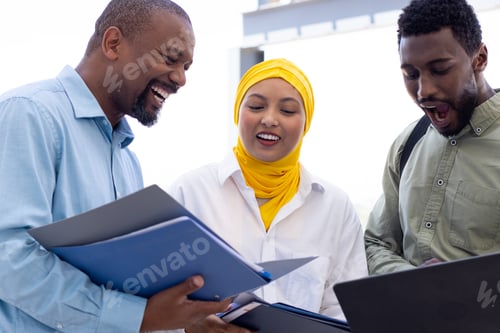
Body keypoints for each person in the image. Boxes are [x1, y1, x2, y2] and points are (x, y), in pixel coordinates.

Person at [0, 1, 234, 332]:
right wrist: (138, 317)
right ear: (113, 44)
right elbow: (8, 260)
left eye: (187, 67)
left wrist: (185, 318)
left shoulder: (127, 161)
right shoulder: (29, 115)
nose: (181, 79)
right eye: (170, 59)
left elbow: (123, 288)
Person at [167, 58, 368, 332]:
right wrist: (192, 326)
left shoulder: (335, 207)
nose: (270, 119)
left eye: (287, 110)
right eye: (256, 106)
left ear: (306, 122)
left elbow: (344, 310)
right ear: (238, 112)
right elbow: (156, 304)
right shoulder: (191, 192)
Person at [364, 0, 500, 274]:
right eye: (411, 74)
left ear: (480, 59)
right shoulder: (408, 143)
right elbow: (376, 242)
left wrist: (464, 287)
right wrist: (412, 280)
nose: (423, 90)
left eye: (439, 70)